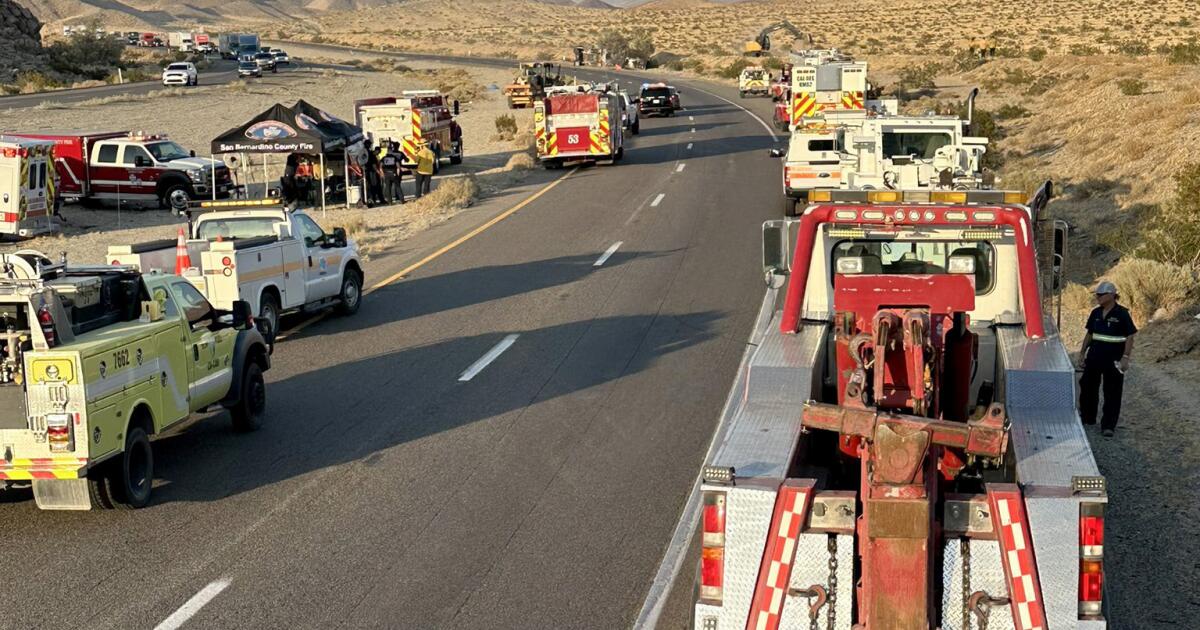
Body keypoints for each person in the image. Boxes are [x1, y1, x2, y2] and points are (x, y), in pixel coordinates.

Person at [1078, 281, 1137, 437]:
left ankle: (1108, 425)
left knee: (1112, 392)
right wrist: (1082, 352)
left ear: (1111, 295)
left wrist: (1125, 357)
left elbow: (1130, 336)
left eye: (1101, 295)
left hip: (1114, 360)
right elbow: (1090, 334)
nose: (1098, 297)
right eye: (1097, 295)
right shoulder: (1095, 313)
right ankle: (1087, 418)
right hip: (1094, 357)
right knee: (1087, 387)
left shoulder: (1122, 314)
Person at [364, 141, 385, 207]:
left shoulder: (368, 153)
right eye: (378, 152)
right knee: (375, 186)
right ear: (376, 150)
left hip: (370, 172)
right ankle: (376, 199)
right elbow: (374, 166)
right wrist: (379, 173)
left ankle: (377, 199)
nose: (378, 154)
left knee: (374, 186)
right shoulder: (372, 155)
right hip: (372, 173)